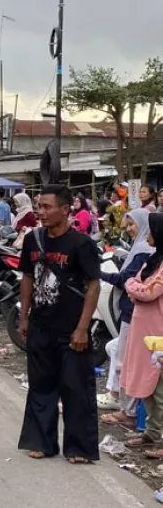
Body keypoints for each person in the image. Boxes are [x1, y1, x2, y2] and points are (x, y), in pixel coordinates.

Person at [17, 184, 101, 464]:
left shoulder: (82, 245)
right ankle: (42, 441)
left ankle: (79, 448)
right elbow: (27, 277)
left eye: (47, 207)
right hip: (41, 325)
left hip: (71, 328)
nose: (41, 212)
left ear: (65, 210)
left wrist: (82, 328)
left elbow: (93, 286)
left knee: (76, 388)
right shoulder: (33, 240)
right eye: (39, 206)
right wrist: (24, 315)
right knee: (41, 386)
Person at [98, 210, 154, 428]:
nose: (129, 229)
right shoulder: (141, 248)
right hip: (132, 311)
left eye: (133, 224)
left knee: (126, 360)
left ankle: (128, 411)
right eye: (127, 225)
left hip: (135, 313)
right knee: (115, 350)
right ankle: (120, 401)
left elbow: (130, 280)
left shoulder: (144, 251)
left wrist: (100, 274)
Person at [120, 213, 163, 452]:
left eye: (151, 231)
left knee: (159, 389)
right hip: (142, 329)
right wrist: (135, 287)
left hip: (158, 333)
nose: (147, 235)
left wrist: (134, 287)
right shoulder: (153, 261)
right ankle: (151, 432)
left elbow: (149, 292)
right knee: (146, 385)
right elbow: (136, 284)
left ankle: (158, 435)